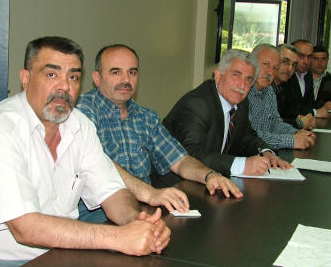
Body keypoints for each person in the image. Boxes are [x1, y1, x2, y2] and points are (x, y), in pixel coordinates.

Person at [0, 36, 171, 267]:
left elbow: (111, 192)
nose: (64, 86)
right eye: (51, 74)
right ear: (26, 79)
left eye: (73, 77)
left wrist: (138, 222)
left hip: (57, 254)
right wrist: (119, 237)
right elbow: (25, 228)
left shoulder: (81, 126)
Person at [76, 44, 242, 223]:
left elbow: (180, 161)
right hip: (96, 213)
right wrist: (150, 193)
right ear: (97, 78)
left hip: (144, 205)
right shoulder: (81, 112)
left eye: (132, 72)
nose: (126, 79)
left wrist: (210, 175)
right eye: (116, 72)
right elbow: (101, 164)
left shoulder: (146, 117)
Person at [163, 49, 291, 177]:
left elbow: (246, 136)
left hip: (213, 178)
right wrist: (242, 165)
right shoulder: (196, 104)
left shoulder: (241, 102)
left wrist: (266, 153)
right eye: (236, 75)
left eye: (248, 80)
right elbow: (190, 154)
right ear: (218, 75)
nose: (242, 86)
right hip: (176, 181)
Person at [247, 44, 315, 150]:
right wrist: (291, 140)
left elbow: (275, 123)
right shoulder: (242, 92)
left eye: (275, 68)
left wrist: (296, 132)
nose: (270, 72)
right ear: (251, 63)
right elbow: (248, 135)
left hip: (264, 151)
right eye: (266, 64)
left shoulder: (269, 90)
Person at [285, 39, 316, 129]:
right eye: (301, 56)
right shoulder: (286, 76)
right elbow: (289, 109)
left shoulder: (308, 75)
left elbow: (310, 103)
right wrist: (315, 112)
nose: (306, 61)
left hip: (302, 125)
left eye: (309, 57)